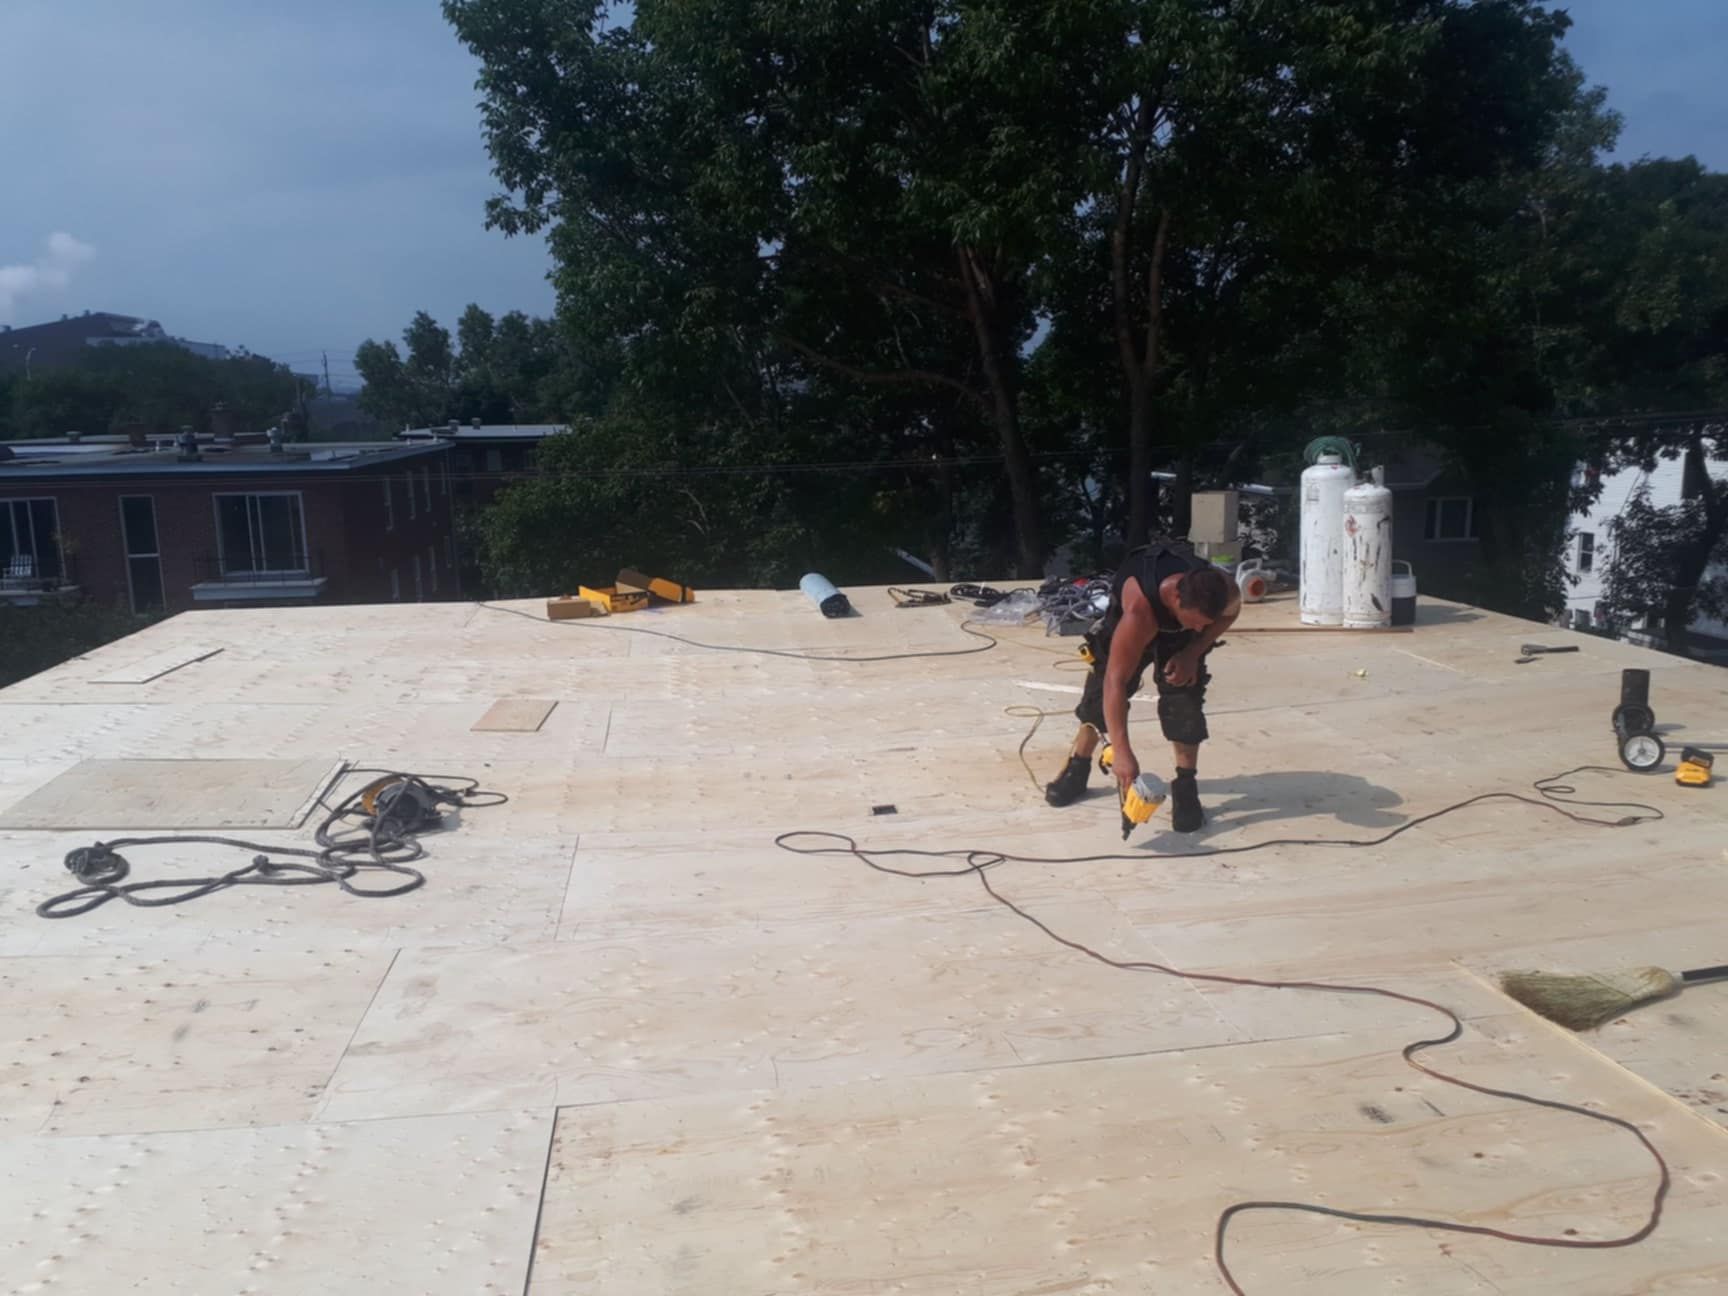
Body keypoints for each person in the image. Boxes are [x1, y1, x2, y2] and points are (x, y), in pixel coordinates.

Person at [1044, 544, 1240, 832]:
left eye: (1204, 624)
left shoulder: (1220, 589)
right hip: (1132, 622)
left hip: (1178, 634)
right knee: (1098, 701)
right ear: (1176, 599)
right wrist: (1122, 753)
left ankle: (1186, 785)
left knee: (1184, 701)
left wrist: (1193, 651)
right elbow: (1115, 682)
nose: (1200, 629)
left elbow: (1231, 612)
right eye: (1196, 622)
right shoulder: (1139, 613)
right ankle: (1078, 766)